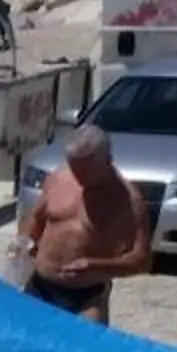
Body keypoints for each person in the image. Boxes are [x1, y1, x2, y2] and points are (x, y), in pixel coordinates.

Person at [17, 124, 150, 322]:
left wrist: (96, 265)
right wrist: (22, 247)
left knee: (82, 350)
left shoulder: (128, 201)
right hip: (39, 285)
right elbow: (36, 218)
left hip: (88, 296)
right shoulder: (60, 178)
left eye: (86, 171)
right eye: (74, 169)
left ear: (106, 161)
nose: (79, 178)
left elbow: (142, 260)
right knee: (25, 346)